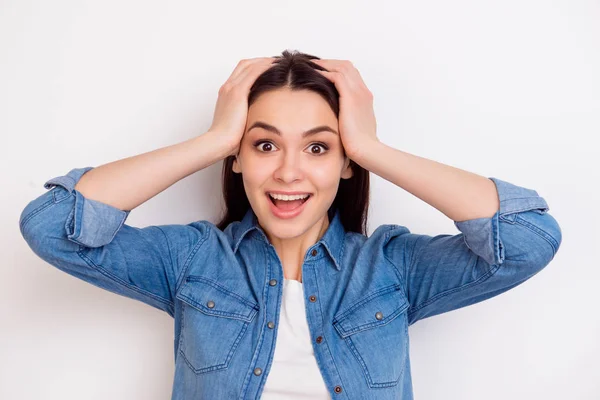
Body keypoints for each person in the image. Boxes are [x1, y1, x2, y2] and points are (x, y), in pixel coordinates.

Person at [19, 50, 562, 399]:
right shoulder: (193, 260)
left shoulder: (392, 268)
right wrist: (213, 140)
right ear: (238, 155)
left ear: (346, 163)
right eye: (264, 144)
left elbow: (526, 240)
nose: (288, 172)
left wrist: (371, 147)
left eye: (319, 147)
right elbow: (53, 226)